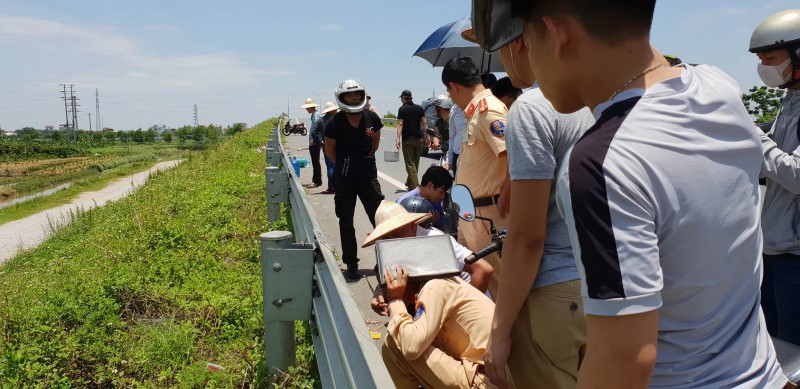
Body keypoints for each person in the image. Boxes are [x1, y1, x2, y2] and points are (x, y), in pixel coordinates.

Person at [506, 0, 786, 387]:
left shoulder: (600, 164)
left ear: (556, 35)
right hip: (763, 375)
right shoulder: (717, 84)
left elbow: (624, 360)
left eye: (526, 41)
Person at [465, 7, 595, 387]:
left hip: (554, 291)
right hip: (614, 290)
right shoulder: (612, 98)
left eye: (502, 46)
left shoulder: (535, 108)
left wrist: (500, 331)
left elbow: (527, 238)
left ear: (521, 42)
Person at [750, 8, 800, 346]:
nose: (764, 66)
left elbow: (796, 175)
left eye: (771, 57)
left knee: (794, 354)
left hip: (795, 258)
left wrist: (753, 137)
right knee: (773, 348)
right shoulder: (789, 99)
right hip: (774, 250)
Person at [442, 56, 510, 297]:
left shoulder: (488, 109)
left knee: (500, 286)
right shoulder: (475, 112)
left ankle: (509, 335)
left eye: (449, 93)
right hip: (473, 213)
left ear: (454, 87)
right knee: (476, 280)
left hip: (488, 214)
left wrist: (507, 196)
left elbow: (512, 154)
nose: (451, 98)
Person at [367, 200, 494, 308]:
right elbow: (389, 277)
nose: (392, 241)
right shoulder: (390, 247)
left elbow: (483, 270)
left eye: (397, 234)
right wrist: (379, 293)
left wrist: (465, 310)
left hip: (464, 302)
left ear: (412, 225)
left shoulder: (435, 241)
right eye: (386, 238)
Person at [323, 79, 385, 280]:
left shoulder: (372, 118)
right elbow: (330, 151)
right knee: (346, 221)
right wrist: (346, 164)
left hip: (368, 176)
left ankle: (386, 260)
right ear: (341, 98)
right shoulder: (334, 123)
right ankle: (351, 263)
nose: (353, 97)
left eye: (356, 94)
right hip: (344, 178)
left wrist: (363, 160)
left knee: (380, 219)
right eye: (349, 95)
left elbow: (375, 143)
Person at [397, 166, 453, 231]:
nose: (442, 197)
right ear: (430, 185)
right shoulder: (404, 203)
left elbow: (441, 228)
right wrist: (428, 220)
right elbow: (399, 232)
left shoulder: (435, 201)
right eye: (441, 192)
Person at [396, 89, 430, 190]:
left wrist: (398, 139)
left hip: (407, 140)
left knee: (410, 165)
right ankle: (410, 183)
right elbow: (424, 122)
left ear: (403, 98)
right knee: (415, 164)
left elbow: (400, 124)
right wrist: (427, 136)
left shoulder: (402, 109)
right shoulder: (419, 108)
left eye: (401, 98)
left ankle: (416, 188)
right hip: (419, 140)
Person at [310, 101, 338, 194]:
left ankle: (332, 187)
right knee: (340, 166)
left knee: (330, 166)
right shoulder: (338, 119)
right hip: (340, 146)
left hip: (327, 146)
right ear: (332, 110)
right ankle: (339, 186)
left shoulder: (321, 120)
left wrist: (320, 142)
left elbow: (314, 131)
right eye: (335, 109)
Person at [301, 98, 322, 188]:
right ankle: (317, 180)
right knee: (316, 162)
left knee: (315, 162)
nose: (306, 110)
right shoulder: (314, 114)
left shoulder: (316, 115)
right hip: (314, 141)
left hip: (314, 142)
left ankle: (316, 181)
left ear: (310, 107)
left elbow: (316, 129)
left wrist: (315, 139)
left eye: (307, 108)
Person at [444, 103, 466, 177]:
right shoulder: (454, 109)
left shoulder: (479, 106)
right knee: (459, 184)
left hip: (475, 155)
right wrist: (449, 161)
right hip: (458, 153)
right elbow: (452, 137)